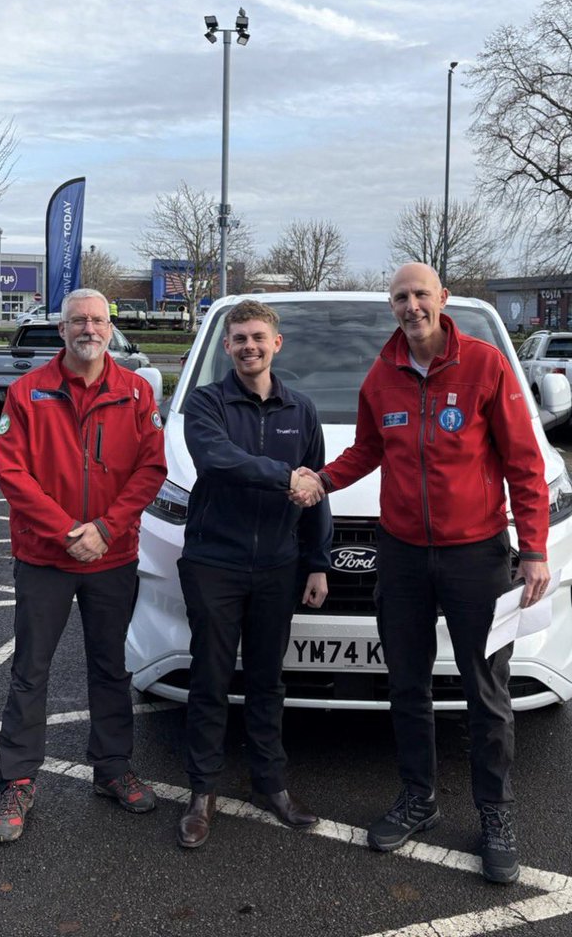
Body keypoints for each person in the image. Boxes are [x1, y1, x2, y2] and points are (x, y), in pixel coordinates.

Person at [297, 263, 550, 883]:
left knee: (485, 689)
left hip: (477, 557)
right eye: (400, 297)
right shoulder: (381, 376)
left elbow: (524, 462)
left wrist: (535, 547)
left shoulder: (486, 365)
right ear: (393, 306)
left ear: (443, 298)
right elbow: (367, 450)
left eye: (420, 295)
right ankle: (419, 799)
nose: (411, 306)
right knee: (406, 684)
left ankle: (494, 812)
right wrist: (322, 480)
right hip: (403, 555)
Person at [0, 288, 167, 843]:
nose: (89, 328)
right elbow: (13, 475)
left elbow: (151, 467)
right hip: (46, 556)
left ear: (110, 328)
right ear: (61, 330)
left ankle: (112, 770)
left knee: (111, 669)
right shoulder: (27, 392)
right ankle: (17, 780)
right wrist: (67, 532)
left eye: (98, 320)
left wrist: (106, 529)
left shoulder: (136, 393)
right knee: (30, 671)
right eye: (77, 321)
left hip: (112, 556)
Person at [176, 299, 332, 849]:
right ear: (226, 346)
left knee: (267, 680)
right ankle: (201, 793)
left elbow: (316, 493)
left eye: (258, 337)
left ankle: (272, 784)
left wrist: (317, 561)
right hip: (214, 564)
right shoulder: (206, 403)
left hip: (277, 568)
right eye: (239, 338)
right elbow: (216, 459)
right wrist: (284, 474)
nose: (249, 346)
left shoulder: (301, 410)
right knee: (211, 680)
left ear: (276, 344)